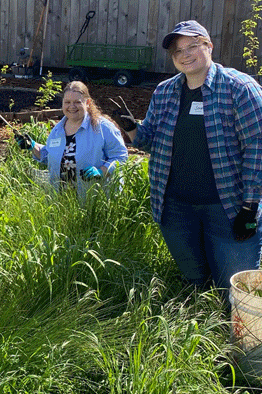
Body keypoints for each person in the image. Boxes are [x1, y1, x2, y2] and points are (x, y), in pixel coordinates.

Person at [110, 20, 262, 290]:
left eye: (192, 46)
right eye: (177, 51)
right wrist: (131, 127)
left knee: (235, 291)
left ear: (209, 46)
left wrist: (250, 207)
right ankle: (198, 327)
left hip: (227, 208)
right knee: (195, 284)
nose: (184, 55)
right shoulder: (166, 91)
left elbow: (257, 149)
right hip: (176, 208)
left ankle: (237, 333)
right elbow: (149, 142)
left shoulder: (240, 89)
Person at [16, 81, 128, 194]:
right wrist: (33, 146)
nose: (72, 106)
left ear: (88, 102)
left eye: (77, 102)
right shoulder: (57, 130)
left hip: (94, 200)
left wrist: (102, 171)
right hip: (62, 200)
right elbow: (50, 157)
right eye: (67, 102)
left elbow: (120, 156)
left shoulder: (103, 127)